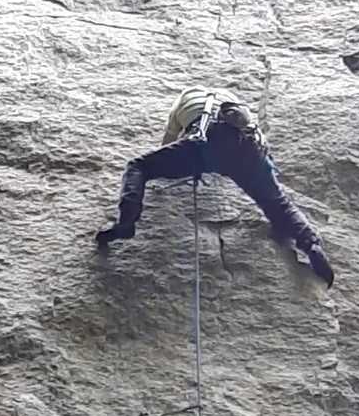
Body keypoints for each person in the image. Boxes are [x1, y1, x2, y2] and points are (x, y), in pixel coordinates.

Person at [96, 89, 335, 286]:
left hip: (204, 143)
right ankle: (311, 244)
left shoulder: (184, 98)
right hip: (248, 151)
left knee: (138, 167)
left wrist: (181, 165)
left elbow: (169, 142)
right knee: (278, 203)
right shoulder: (236, 104)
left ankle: (125, 222)